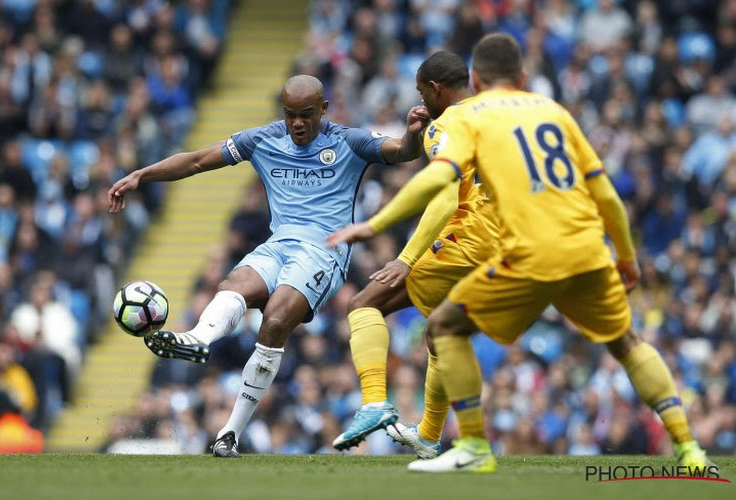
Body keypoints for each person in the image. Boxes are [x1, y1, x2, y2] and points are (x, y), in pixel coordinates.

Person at [328, 33, 714, 474]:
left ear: (475, 78)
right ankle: (689, 449)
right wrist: (626, 256)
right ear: (523, 77)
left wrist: (375, 226)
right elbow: (605, 193)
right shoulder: (554, 112)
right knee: (628, 343)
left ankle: (469, 444)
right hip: (586, 245)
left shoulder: (464, 118)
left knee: (444, 330)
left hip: (523, 249)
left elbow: (442, 185)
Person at [107, 75, 429, 458]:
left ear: (323, 110)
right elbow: (195, 161)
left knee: (274, 321)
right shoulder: (262, 139)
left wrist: (412, 134)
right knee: (234, 283)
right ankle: (197, 339)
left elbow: (401, 152)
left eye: (306, 115)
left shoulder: (349, 141)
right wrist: (142, 175)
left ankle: (230, 430)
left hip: (324, 252)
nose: (296, 123)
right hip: (277, 246)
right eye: (290, 114)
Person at [331, 51, 499, 458]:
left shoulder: (444, 126)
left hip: (470, 239)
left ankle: (373, 402)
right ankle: (427, 435)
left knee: (364, 303)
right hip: (510, 242)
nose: (422, 100)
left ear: (436, 89)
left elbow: (444, 196)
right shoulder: (492, 113)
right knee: (440, 332)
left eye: (423, 91)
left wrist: (405, 258)